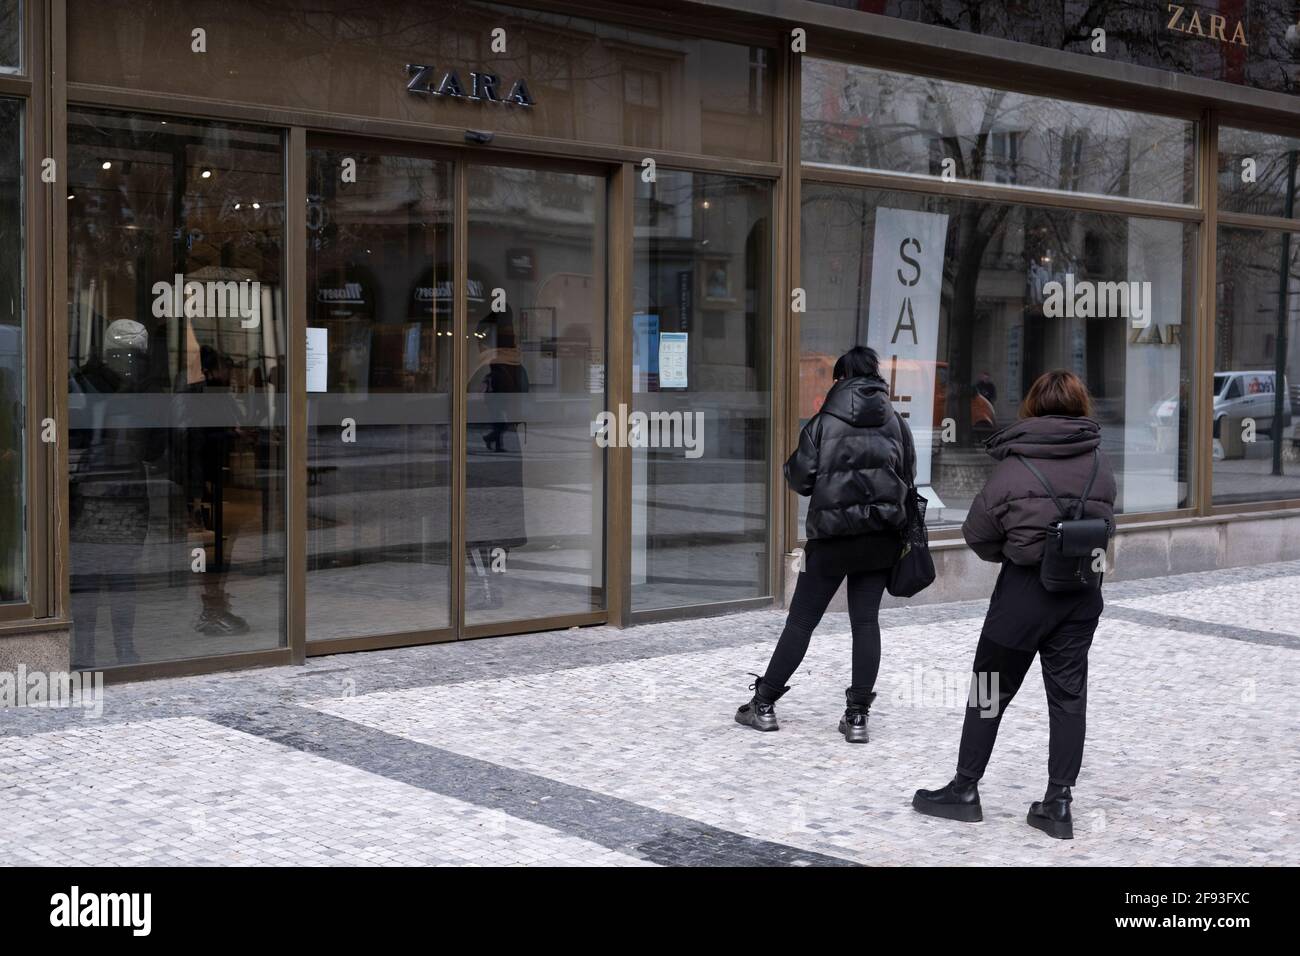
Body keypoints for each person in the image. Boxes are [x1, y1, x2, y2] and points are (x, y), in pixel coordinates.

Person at [912, 369, 1116, 840]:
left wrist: (1014, 552)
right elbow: (1107, 523)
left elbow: (977, 533)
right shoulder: (1099, 463)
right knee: (1068, 698)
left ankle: (965, 790)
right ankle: (1058, 803)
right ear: (1081, 406)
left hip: (1024, 594)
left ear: (1032, 406)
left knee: (987, 691)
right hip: (1082, 592)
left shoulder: (1015, 465)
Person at [735, 346, 914, 743]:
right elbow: (908, 474)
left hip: (833, 539)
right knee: (865, 622)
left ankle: (763, 705)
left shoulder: (823, 423)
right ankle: (857, 718)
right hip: (880, 537)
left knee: (802, 621)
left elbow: (800, 479)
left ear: (841, 379)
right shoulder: (896, 423)